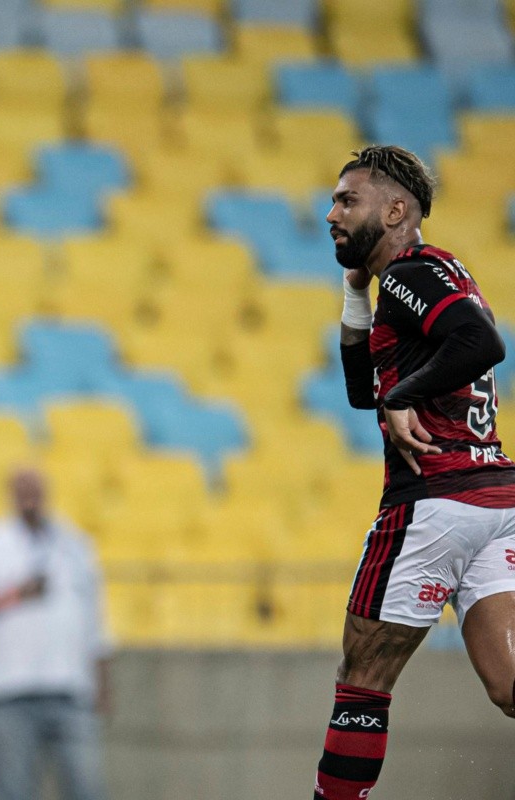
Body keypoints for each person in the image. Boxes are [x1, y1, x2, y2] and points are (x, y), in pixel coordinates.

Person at [313, 144, 515, 799]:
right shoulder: (428, 273)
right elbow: (359, 391)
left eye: (348, 200)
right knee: (510, 686)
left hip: (433, 502)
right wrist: (354, 293)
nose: (331, 213)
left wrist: (402, 397)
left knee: (363, 674)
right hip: (495, 500)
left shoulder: (410, 272)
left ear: (396, 209)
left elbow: (483, 342)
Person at [0, 466, 112, 800]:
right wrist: (13, 596)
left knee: (87, 788)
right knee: (14, 791)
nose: (29, 496)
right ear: (10, 493)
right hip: (8, 695)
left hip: (69, 691)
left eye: (35, 488)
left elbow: (98, 627)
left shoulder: (76, 546)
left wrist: (103, 687)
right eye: (22, 488)